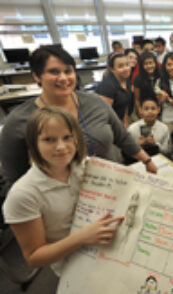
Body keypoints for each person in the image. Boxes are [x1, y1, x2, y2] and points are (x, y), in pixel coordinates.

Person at [0, 46, 156, 190]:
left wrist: (147, 161)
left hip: (110, 186)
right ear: (37, 76)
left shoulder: (96, 103)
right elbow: (15, 179)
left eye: (68, 71)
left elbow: (122, 137)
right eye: (54, 72)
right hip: (61, 200)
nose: (63, 78)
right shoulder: (19, 121)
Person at [2, 107, 125, 276]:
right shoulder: (23, 195)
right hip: (74, 268)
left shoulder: (88, 166)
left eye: (67, 137)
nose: (61, 147)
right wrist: (82, 237)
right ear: (34, 144)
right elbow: (34, 257)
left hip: (112, 253)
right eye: (49, 140)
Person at [96, 52, 132, 126]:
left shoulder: (126, 79)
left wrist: (125, 124)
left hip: (121, 123)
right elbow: (104, 116)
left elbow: (125, 105)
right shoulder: (107, 86)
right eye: (120, 66)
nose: (126, 68)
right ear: (112, 69)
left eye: (127, 65)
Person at [133, 51, 160, 116]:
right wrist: (140, 111)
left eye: (151, 63)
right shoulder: (138, 79)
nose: (149, 66)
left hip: (159, 109)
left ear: (155, 63)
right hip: (145, 110)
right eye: (146, 64)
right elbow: (137, 99)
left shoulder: (160, 75)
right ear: (142, 66)